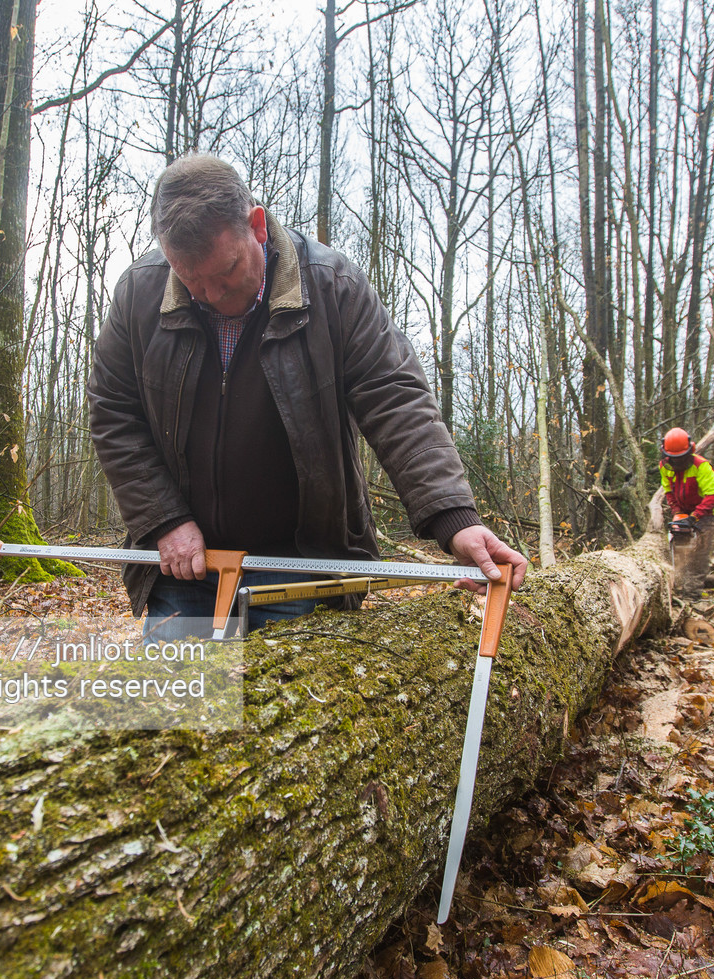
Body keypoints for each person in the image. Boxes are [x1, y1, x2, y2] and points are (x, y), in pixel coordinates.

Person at [87, 153, 526, 639]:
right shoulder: (140, 293)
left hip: (300, 563)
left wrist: (454, 519)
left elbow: (397, 402)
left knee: (292, 686)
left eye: (225, 271)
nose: (209, 294)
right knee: (178, 688)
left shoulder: (334, 287)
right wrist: (164, 520)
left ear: (256, 226)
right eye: (191, 279)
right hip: (186, 564)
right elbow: (112, 412)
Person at [658, 427, 714, 588]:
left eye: (680, 458)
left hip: (706, 513)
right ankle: (678, 583)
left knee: (699, 554)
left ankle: (692, 593)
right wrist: (677, 512)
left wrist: (694, 517)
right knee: (678, 549)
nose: (677, 462)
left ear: (690, 451)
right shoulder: (664, 466)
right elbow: (668, 491)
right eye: (673, 459)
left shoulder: (701, 466)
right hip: (684, 510)